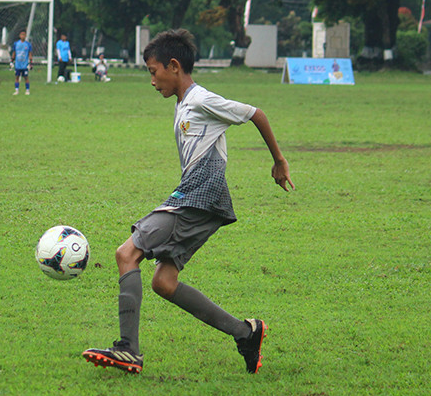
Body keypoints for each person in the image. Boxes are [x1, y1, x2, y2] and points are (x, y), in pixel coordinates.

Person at [82, 29, 294, 375]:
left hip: (198, 198)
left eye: (153, 71)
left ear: (174, 66)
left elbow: (256, 112)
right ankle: (246, 333)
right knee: (163, 283)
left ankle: (128, 350)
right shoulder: (184, 104)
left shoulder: (201, 99)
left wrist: (279, 161)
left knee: (126, 254)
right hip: (200, 200)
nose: (152, 81)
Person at [10, 29, 32, 95]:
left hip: (24, 64)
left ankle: (27, 90)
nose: (23, 36)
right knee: (17, 77)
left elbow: (30, 53)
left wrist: (30, 63)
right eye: (21, 34)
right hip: (18, 64)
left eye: (24, 35)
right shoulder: (16, 44)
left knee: (26, 77)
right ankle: (16, 90)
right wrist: (11, 61)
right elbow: (14, 53)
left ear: (25, 36)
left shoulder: (28, 44)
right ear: (20, 35)